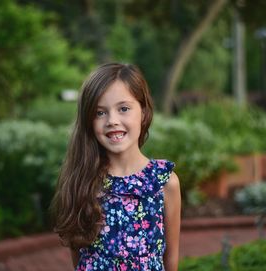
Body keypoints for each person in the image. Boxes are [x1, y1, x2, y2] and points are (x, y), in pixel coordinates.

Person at [53, 63, 181, 270]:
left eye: (123, 109)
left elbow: (171, 259)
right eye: (99, 113)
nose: (112, 120)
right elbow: (78, 259)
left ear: (144, 112)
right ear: (88, 121)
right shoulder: (83, 180)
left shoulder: (165, 183)